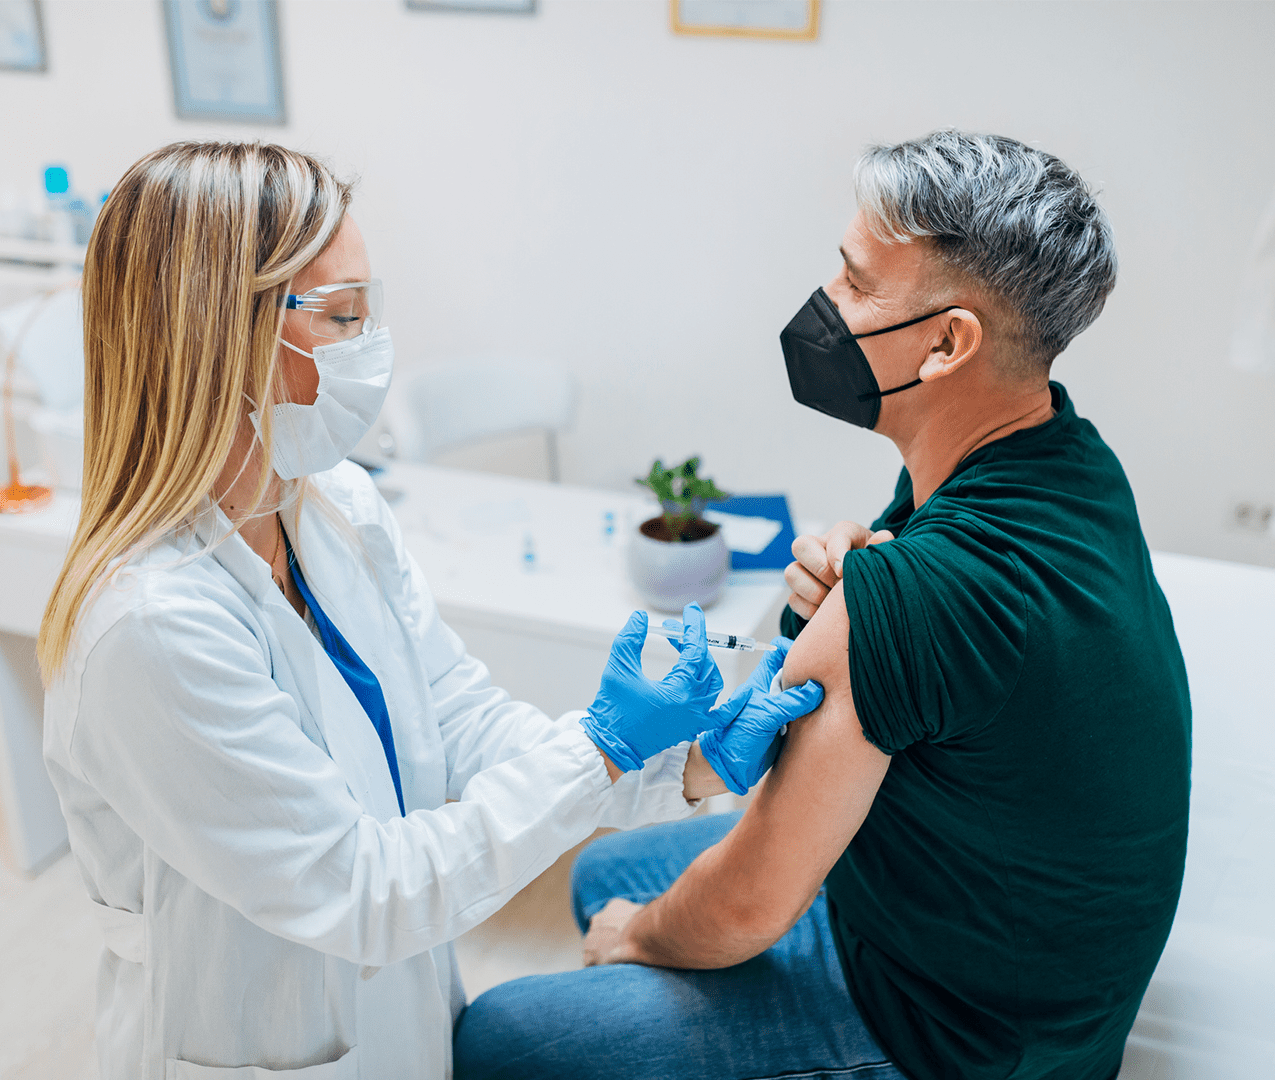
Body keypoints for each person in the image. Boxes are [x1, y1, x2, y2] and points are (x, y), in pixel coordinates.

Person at [36, 141, 825, 1080]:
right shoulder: (151, 624)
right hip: (248, 1030)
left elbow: (457, 719)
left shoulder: (334, 510)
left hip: (397, 995)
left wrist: (675, 765)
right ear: (218, 334)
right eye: (343, 314)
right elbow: (361, 888)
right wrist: (602, 747)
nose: (373, 344)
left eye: (371, 307)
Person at [452, 131, 1192, 1080]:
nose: (826, 304)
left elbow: (746, 909)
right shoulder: (1066, 458)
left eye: (854, 280)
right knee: (599, 870)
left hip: (956, 1035)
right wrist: (847, 608)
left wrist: (634, 941)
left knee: (503, 1037)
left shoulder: (928, 586)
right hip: (974, 935)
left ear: (947, 343)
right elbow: (952, 648)